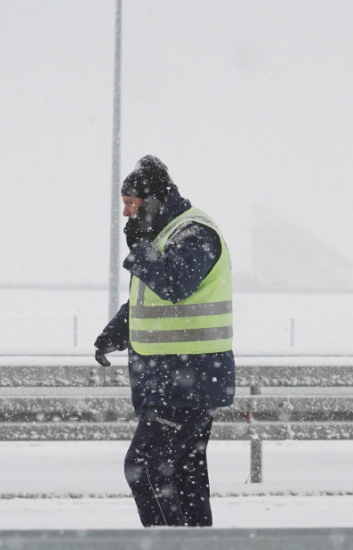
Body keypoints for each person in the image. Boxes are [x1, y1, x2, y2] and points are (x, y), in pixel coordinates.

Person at [93, 155, 235, 527]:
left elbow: (175, 284)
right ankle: (194, 543)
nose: (126, 214)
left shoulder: (194, 233)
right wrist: (116, 332)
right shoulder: (165, 237)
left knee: (143, 468)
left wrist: (140, 249)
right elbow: (150, 300)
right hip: (174, 380)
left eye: (130, 203)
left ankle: (167, 544)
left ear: (152, 200)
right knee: (183, 479)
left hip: (188, 381)